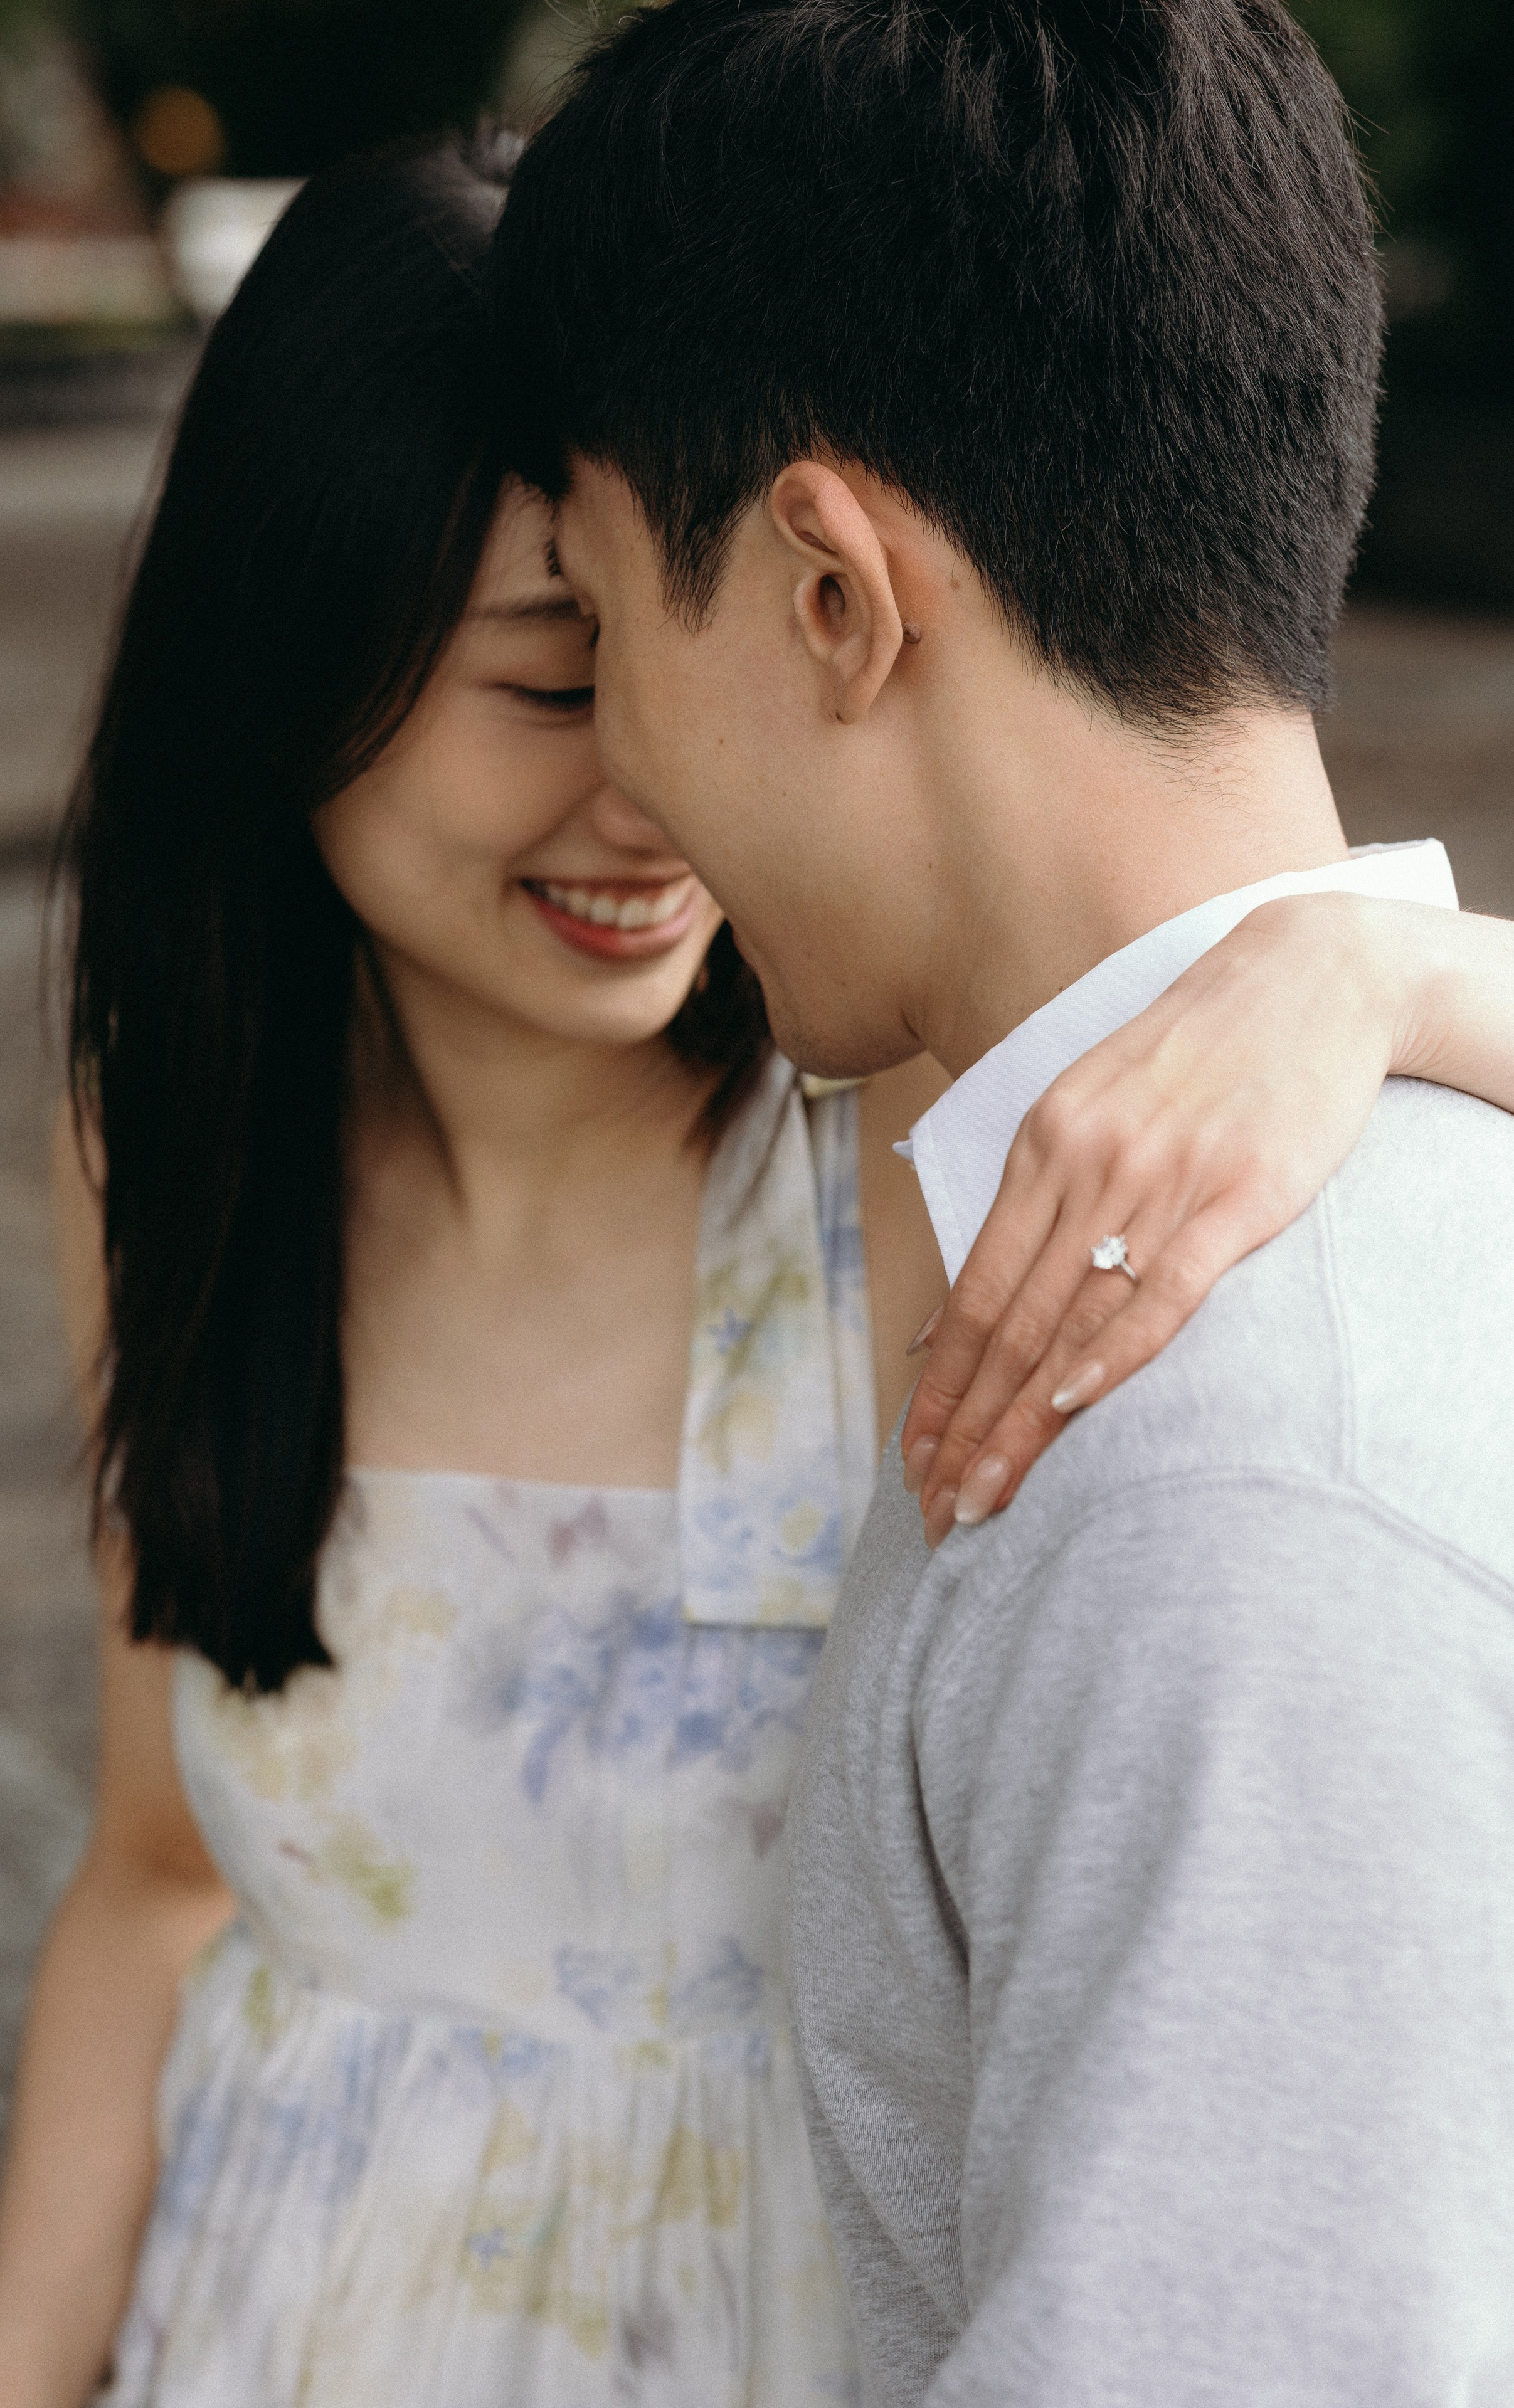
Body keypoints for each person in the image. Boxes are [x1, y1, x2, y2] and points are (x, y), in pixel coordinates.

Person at [0, 112, 1513, 2408]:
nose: (648, 792)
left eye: (642, 663)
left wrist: (1387, 969)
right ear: (292, 665)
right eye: (548, 683)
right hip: (281, 2310)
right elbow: (160, 1874)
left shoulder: (910, 1138)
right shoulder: (172, 1156)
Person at [490, 0, 1514, 2399]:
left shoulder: (1230, 1492)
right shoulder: (1362, 1244)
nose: (620, 767)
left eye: (603, 624)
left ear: (831, 594)